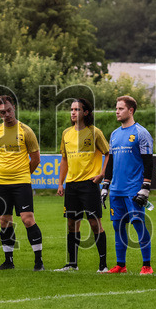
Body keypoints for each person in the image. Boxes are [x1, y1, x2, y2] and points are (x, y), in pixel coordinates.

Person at [0, 95, 44, 271]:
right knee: (4, 221)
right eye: (2, 112)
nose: (7, 114)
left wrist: (22, 174)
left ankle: (38, 261)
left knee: (28, 220)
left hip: (21, 183)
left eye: (9, 110)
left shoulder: (26, 131)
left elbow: (35, 159)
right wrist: (3, 173)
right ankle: (8, 261)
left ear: (14, 108)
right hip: (0, 183)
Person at [56, 98, 109, 272]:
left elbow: (108, 154)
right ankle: (72, 264)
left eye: (77, 109)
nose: (72, 112)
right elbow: (64, 159)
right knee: (72, 224)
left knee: (95, 223)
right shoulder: (66, 133)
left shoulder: (95, 133)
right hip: (71, 185)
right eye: (71, 109)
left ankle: (103, 265)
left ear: (86, 113)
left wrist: (102, 174)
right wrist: (61, 183)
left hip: (89, 184)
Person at [102, 96, 154, 274]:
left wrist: (145, 187)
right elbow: (110, 163)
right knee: (117, 227)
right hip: (116, 190)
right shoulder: (114, 134)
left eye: (120, 108)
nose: (117, 111)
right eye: (116, 108)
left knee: (138, 224)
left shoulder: (141, 133)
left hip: (133, 189)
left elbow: (148, 162)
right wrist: (105, 186)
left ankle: (146, 265)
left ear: (130, 111)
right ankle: (121, 265)